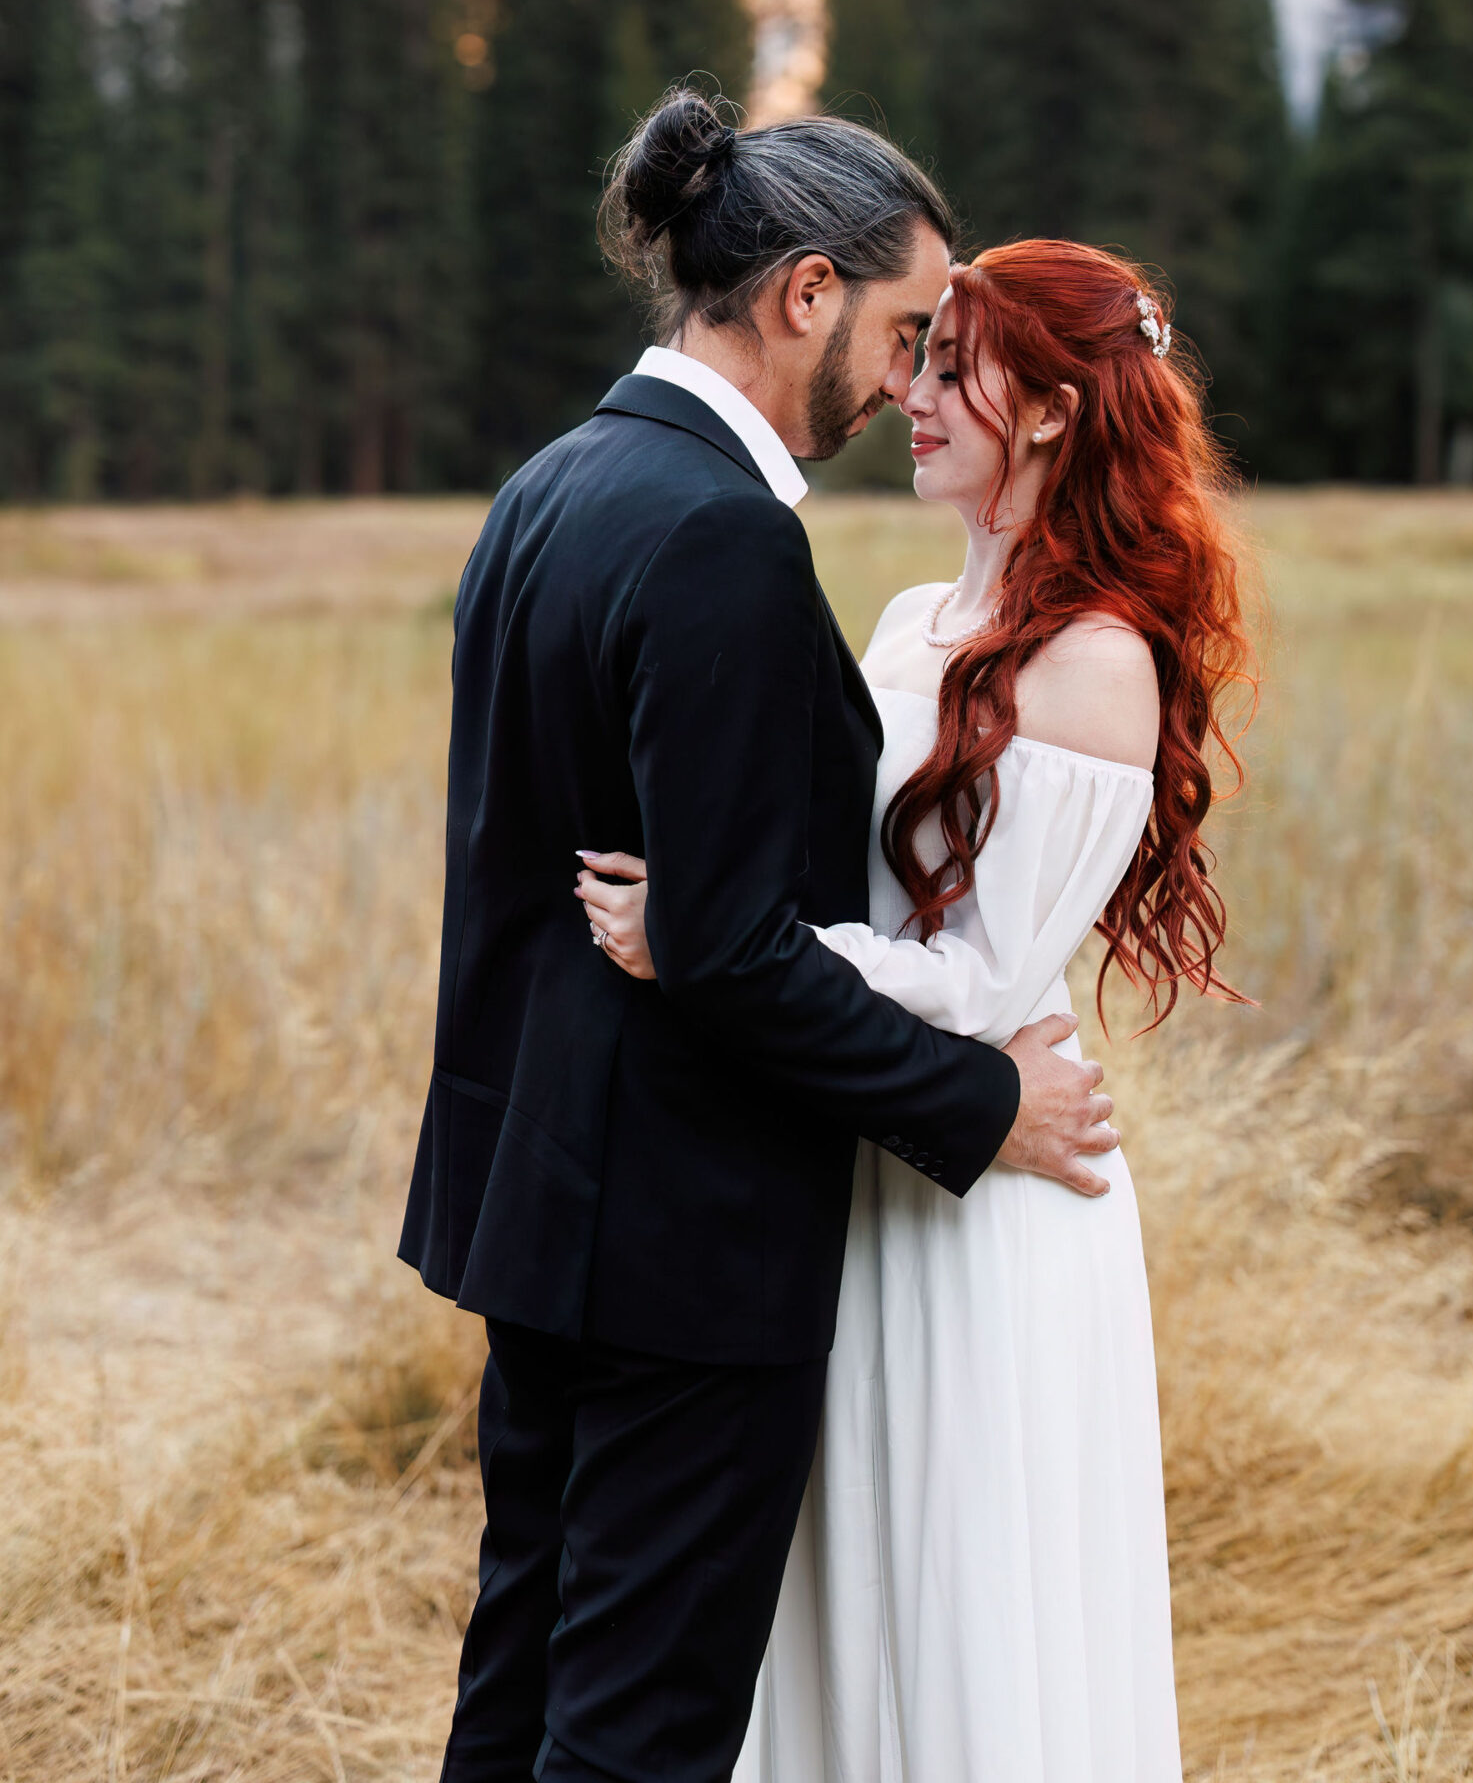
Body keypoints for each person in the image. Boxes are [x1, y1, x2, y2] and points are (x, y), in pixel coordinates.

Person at [398, 92, 1119, 1783]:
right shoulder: (723, 533)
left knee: (522, 1681)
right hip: (686, 1239)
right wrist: (981, 1108)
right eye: (901, 328)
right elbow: (721, 947)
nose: (906, 375)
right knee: (639, 1733)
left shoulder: (550, 488)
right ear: (805, 295)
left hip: (539, 1203)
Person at [581, 237, 1253, 1783]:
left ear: (1056, 412)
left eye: (955, 365)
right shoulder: (899, 619)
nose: (913, 393)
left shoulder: (1094, 664)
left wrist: (710, 939)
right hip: (847, 1156)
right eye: (916, 355)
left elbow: (980, 986)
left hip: (988, 1196)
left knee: (959, 1611)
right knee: (829, 1600)